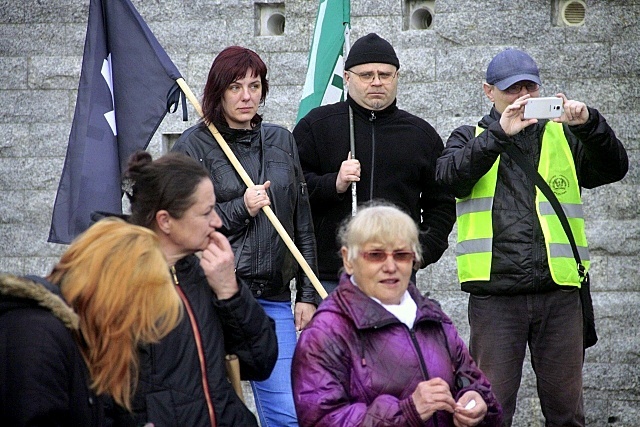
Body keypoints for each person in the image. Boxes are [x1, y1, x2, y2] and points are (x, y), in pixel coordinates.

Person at [435, 48, 629, 426]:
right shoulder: (469, 136)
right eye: (511, 89)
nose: (522, 96)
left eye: (529, 86)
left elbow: (613, 168)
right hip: (496, 297)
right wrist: (498, 135)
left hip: (559, 294)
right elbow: (449, 178)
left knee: (567, 413)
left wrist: (589, 123)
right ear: (488, 92)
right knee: (488, 412)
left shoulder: (562, 134)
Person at [171, 46, 319, 427]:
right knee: (211, 410)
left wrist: (304, 295)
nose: (247, 96)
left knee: (287, 414)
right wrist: (242, 207)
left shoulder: (282, 141)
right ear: (218, 92)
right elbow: (182, 225)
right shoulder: (192, 145)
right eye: (236, 87)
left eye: (254, 85)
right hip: (212, 298)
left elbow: (301, 220)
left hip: (272, 302)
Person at [291, 203, 502, 426]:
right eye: (375, 255)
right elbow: (322, 420)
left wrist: (476, 403)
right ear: (348, 260)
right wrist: (407, 412)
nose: (390, 266)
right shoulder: (326, 332)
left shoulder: (433, 318)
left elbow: (474, 384)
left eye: (401, 255)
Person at [119, 151, 278, 426]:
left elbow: (260, 362)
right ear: (165, 221)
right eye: (206, 212)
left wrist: (230, 292)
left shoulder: (206, 274)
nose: (217, 222)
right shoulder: (118, 284)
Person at [292, 32, 456, 293]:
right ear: (347, 78)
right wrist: (333, 183)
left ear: (396, 77)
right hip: (330, 278)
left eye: (384, 74)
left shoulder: (420, 134)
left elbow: (442, 203)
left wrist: (419, 252)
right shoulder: (317, 126)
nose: (377, 82)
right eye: (366, 75)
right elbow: (292, 190)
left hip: (396, 276)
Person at [0, 218, 182, 426]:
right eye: (136, 314)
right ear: (115, 297)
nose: (133, 330)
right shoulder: (37, 339)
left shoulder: (75, 338)